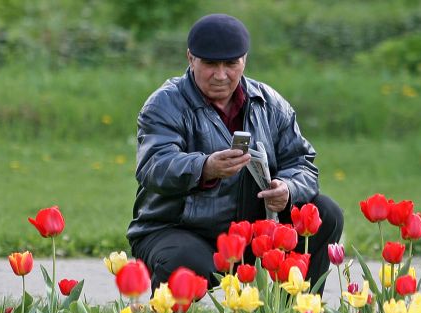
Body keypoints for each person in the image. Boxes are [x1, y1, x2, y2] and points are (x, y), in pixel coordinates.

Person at [128, 13, 343, 292]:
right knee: (188, 262)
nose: (221, 75)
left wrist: (288, 189)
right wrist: (205, 167)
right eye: (210, 64)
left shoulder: (270, 103)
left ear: (244, 60)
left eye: (231, 64)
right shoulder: (164, 104)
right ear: (191, 59)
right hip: (177, 229)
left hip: (254, 232)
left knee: (326, 212)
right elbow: (154, 166)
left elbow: (302, 163)